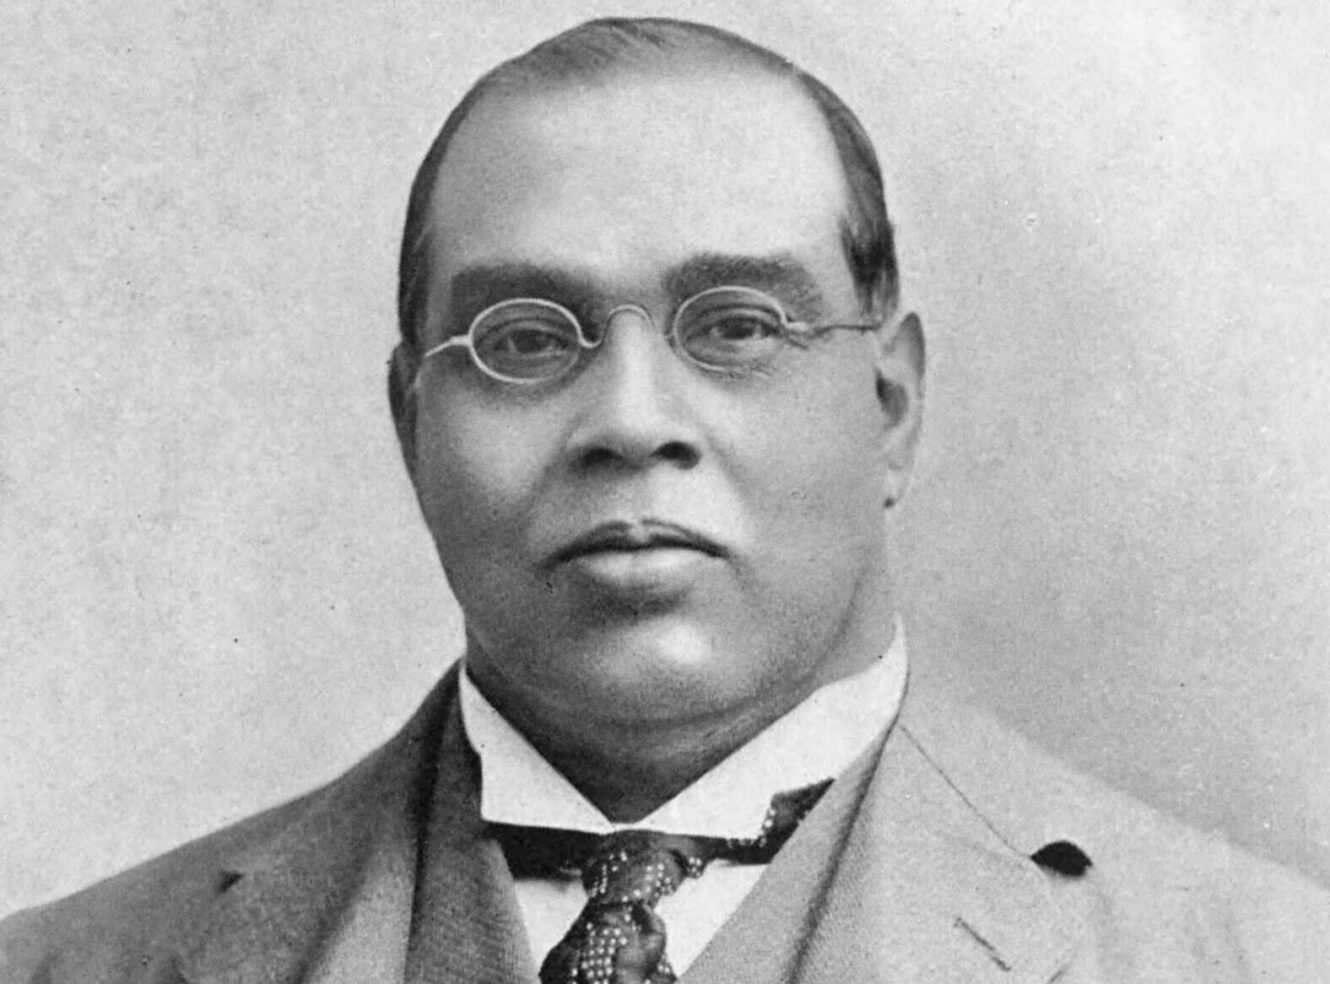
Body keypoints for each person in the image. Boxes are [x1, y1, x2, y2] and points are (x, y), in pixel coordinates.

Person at [2, 16, 1327, 984]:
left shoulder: (1255, 959)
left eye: (738, 326)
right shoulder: (67, 970)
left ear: (890, 406)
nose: (630, 422)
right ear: (411, 425)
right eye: (523, 339)